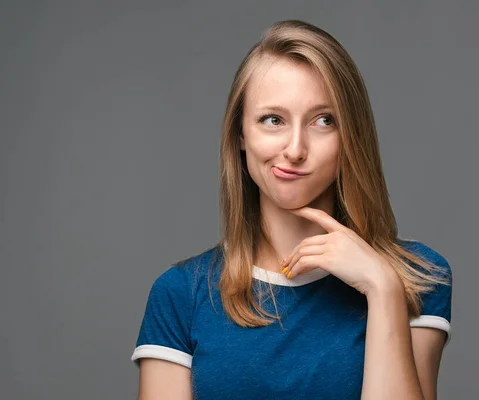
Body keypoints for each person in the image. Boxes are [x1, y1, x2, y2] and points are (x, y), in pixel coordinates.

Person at [131, 19, 452, 399]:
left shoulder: (417, 276)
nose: (295, 149)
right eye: (273, 120)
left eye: (323, 120)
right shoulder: (181, 294)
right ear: (241, 135)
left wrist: (382, 289)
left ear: (351, 135)